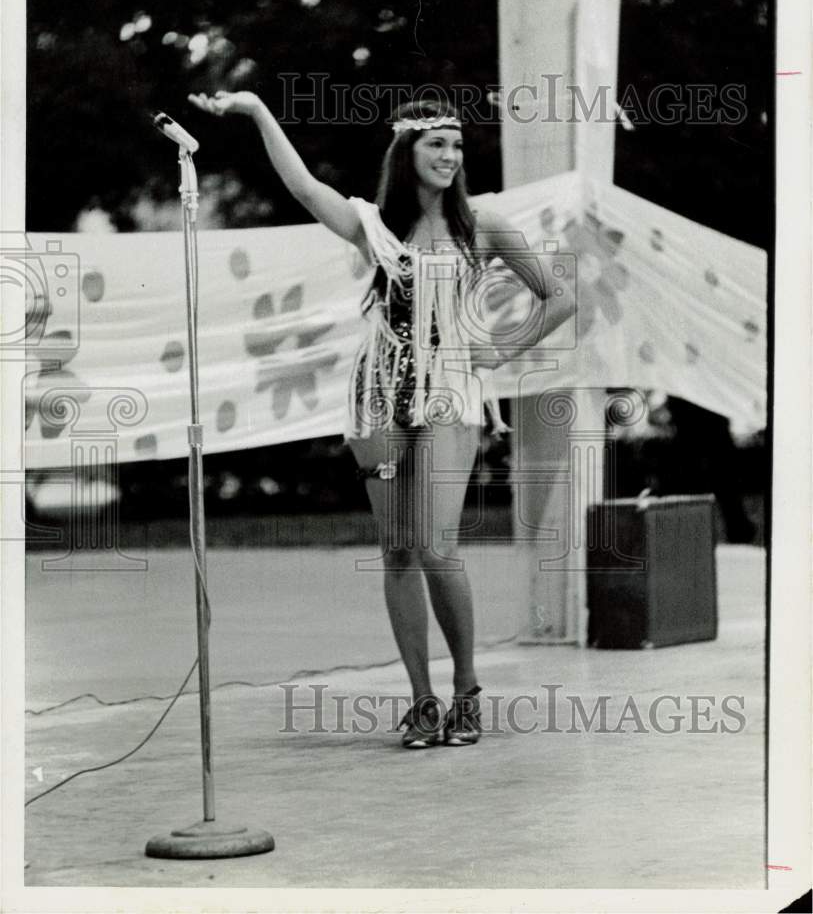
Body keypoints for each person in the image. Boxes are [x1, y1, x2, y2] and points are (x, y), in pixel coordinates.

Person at [189, 90, 576, 747]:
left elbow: (559, 296)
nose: (451, 156)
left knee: (437, 545)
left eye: (457, 145)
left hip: (450, 390)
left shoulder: (481, 224)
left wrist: (501, 349)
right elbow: (304, 186)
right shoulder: (371, 224)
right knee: (396, 549)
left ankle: (466, 690)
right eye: (436, 144)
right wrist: (257, 110)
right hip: (377, 394)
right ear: (406, 152)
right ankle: (422, 700)